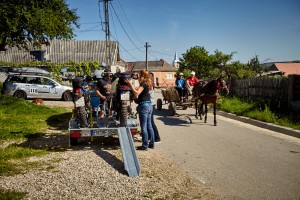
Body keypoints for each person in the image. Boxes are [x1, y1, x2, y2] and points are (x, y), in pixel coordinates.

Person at [125, 69, 155, 151]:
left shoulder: (143, 83)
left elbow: (137, 93)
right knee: (149, 125)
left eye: (138, 75)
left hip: (144, 105)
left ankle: (145, 145)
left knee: (144, 126)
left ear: (142, 75)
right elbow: (140, 91)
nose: (137, 76)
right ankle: (152, 143)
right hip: (149, 105)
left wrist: (130, 85)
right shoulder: (148, 83)